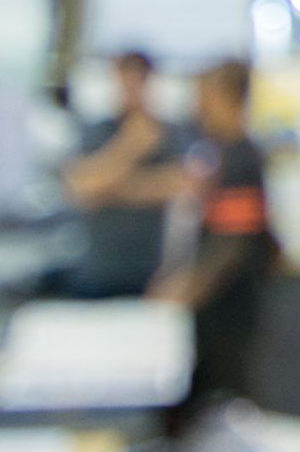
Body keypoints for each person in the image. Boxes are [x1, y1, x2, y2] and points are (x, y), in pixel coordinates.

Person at [152, 60, 278, 407]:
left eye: (207, 97)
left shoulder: (239, 158)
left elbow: (233, 242)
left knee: (227, 390)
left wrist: (188, 288)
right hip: (220, 300)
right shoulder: (222, 154)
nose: (200, 108)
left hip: (230, 302)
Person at [63, 50, 186, 297]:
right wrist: (132, 145)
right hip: (100, 269)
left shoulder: (170, 132)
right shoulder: (97, 131)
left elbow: (181, 184)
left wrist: (111, 188)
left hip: (152, 271)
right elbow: (81, 188)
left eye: (139, 81)